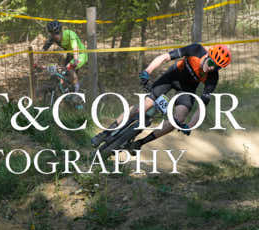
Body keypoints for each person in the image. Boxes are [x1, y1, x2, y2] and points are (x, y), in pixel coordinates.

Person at [90, 43, 232, 151]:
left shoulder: (213, 77)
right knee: (144, 105)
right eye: (212, 63)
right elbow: (165, 57)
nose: (212, 68)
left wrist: (190, 126)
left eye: (217, 67)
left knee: (178, 120)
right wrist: (147, 71)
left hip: (187, 89)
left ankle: (139, 143)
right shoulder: (195, 50)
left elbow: (202, 106)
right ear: (207, 56)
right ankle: (105, 133)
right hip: (172, 77)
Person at [42, 20, 88, 96]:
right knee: (61, 73)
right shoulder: (53, 38)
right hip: (70, 54)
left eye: (57, 33)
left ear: (61, 31)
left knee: (69, 68)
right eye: (52, 34)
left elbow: (75, 47)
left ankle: (76, 93)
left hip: (81, 54)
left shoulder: (70, 34)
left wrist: (75, 60)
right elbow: (43, 50)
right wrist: (36, 62)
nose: (55, 36)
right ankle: (66, 93)